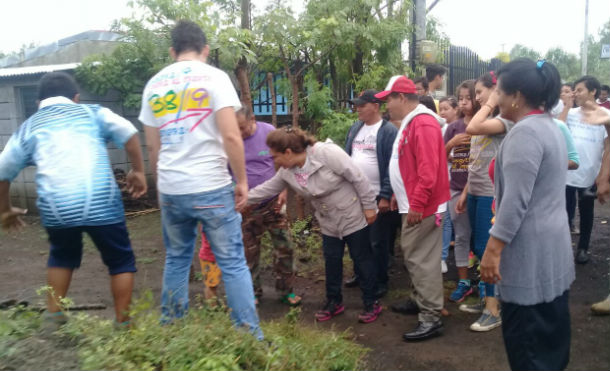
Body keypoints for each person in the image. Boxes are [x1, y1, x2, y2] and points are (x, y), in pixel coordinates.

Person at [138, 20, 262, 338]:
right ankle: (249, 337)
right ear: (205, 49)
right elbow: (232, 136)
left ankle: (172, 332)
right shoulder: (214, 78)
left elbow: (153, 146)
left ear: (172, 50)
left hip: (171, 187)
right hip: (210, 185)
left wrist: (163, 183)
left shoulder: (154, 85)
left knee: (177, 259)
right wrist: (243, 182)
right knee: (232, 261)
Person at [0, 72, 147, 328]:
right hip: (101, 203)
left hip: (57, 208)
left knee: (61, 256)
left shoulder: (29, 127)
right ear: (76, 98)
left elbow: (2, 172)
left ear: (38, 102)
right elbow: (129, 133)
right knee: (120, 260)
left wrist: (5, 210)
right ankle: (124, 322)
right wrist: (138, 171)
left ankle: (54, 316)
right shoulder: (93, 113)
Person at [480, 58, 574, 371]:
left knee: (528, 348)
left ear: (517, 96)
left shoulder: (525, 134)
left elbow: (515, 203)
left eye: (498, 92)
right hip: (551, 250)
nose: (496, 99)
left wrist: (492, 251)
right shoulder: (549, 126)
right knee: (550, 342)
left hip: (529, 257)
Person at [248, 127, 382, 323]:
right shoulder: (287, 171)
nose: (273, 161)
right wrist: (241, 200)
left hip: (351, 212)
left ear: (288, 152)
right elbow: (267, 188)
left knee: (361, 259)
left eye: (275, 156)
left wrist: (370, 206)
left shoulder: (326, 153)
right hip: (327, 219)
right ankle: (334, 301)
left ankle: (372, 303)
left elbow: (357, 177)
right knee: (332, 259)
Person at [198, 106, 300, 306]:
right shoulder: (227, 140)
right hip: (244, 206)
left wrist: (284, 190)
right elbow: (223, 172)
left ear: (252, 118)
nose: (239, 133)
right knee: (248, 252)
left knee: (285, 247)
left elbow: (282, 163)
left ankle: (286, 291)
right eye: (235, 128)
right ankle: (253, 292)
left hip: (273, 203)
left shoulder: (268, 131)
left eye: (242, 128)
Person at [378, 76, 450, 341]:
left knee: (420, 259)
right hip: (413, 202)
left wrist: (417, 203)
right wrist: (401, 194)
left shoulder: (423, 123)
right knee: (416, 256)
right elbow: (408, 164)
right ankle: (421, 301)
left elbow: (428, 171)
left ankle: (430, 317)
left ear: (401, 98)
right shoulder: (413, 122)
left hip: (424, 206)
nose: (386, 105)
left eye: (388, 99)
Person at [456, 71, 515, 332]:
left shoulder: (502, 121)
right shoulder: (489, 119)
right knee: (478, 249)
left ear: (495, 90)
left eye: (480, 92)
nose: (477, 98)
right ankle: (487, 298)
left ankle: (494, 309)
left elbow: (473, 127)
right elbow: (476, 161)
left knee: (485, 246)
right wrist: (466, 191)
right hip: (477, 191)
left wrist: (491, 101)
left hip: (491, 193)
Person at [343, 89, 398, 298]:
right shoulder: (356, 128)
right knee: (358, 238)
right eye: (356, 105)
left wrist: (385, 195)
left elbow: (392, 165)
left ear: (375, 106)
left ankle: (380, 280)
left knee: (378, 241)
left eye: (361, 105)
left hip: (376, 195)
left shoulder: (387, 131)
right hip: (355, 195)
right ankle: (361, 274)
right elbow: (348, 157)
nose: (357, 109)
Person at [563, 75, 609, 264]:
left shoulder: (605, 117)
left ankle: (583, 248)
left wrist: (603, 175)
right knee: (564, 212)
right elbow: (556, 130)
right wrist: (566, 106)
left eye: (580, 89)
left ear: (593, 92)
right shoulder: (571, 114)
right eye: (574, 89)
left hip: (589, 174)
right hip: (565, 174)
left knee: (587, 212)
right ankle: (563, 247)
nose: (576, 93)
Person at [445, 81, 476, 304]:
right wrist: (452, 143)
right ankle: (464, 281)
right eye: (461, 98)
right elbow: (441, 155)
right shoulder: (454, 128)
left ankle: (487, 282)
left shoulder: (487, 126)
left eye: (469, 98)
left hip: (481, 190)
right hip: (456, 188)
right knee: (462, 234)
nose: (464, 102)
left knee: (484, 237)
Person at [438, 96, 460, 274]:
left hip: (458, 180)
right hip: (443, 177)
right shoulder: (441, 128)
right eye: (441, 109)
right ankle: (442, 257)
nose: (443, 112)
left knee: (456, 220)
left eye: (446, 108)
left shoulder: (460, 127)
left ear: (455, 109)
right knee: (445, 219)